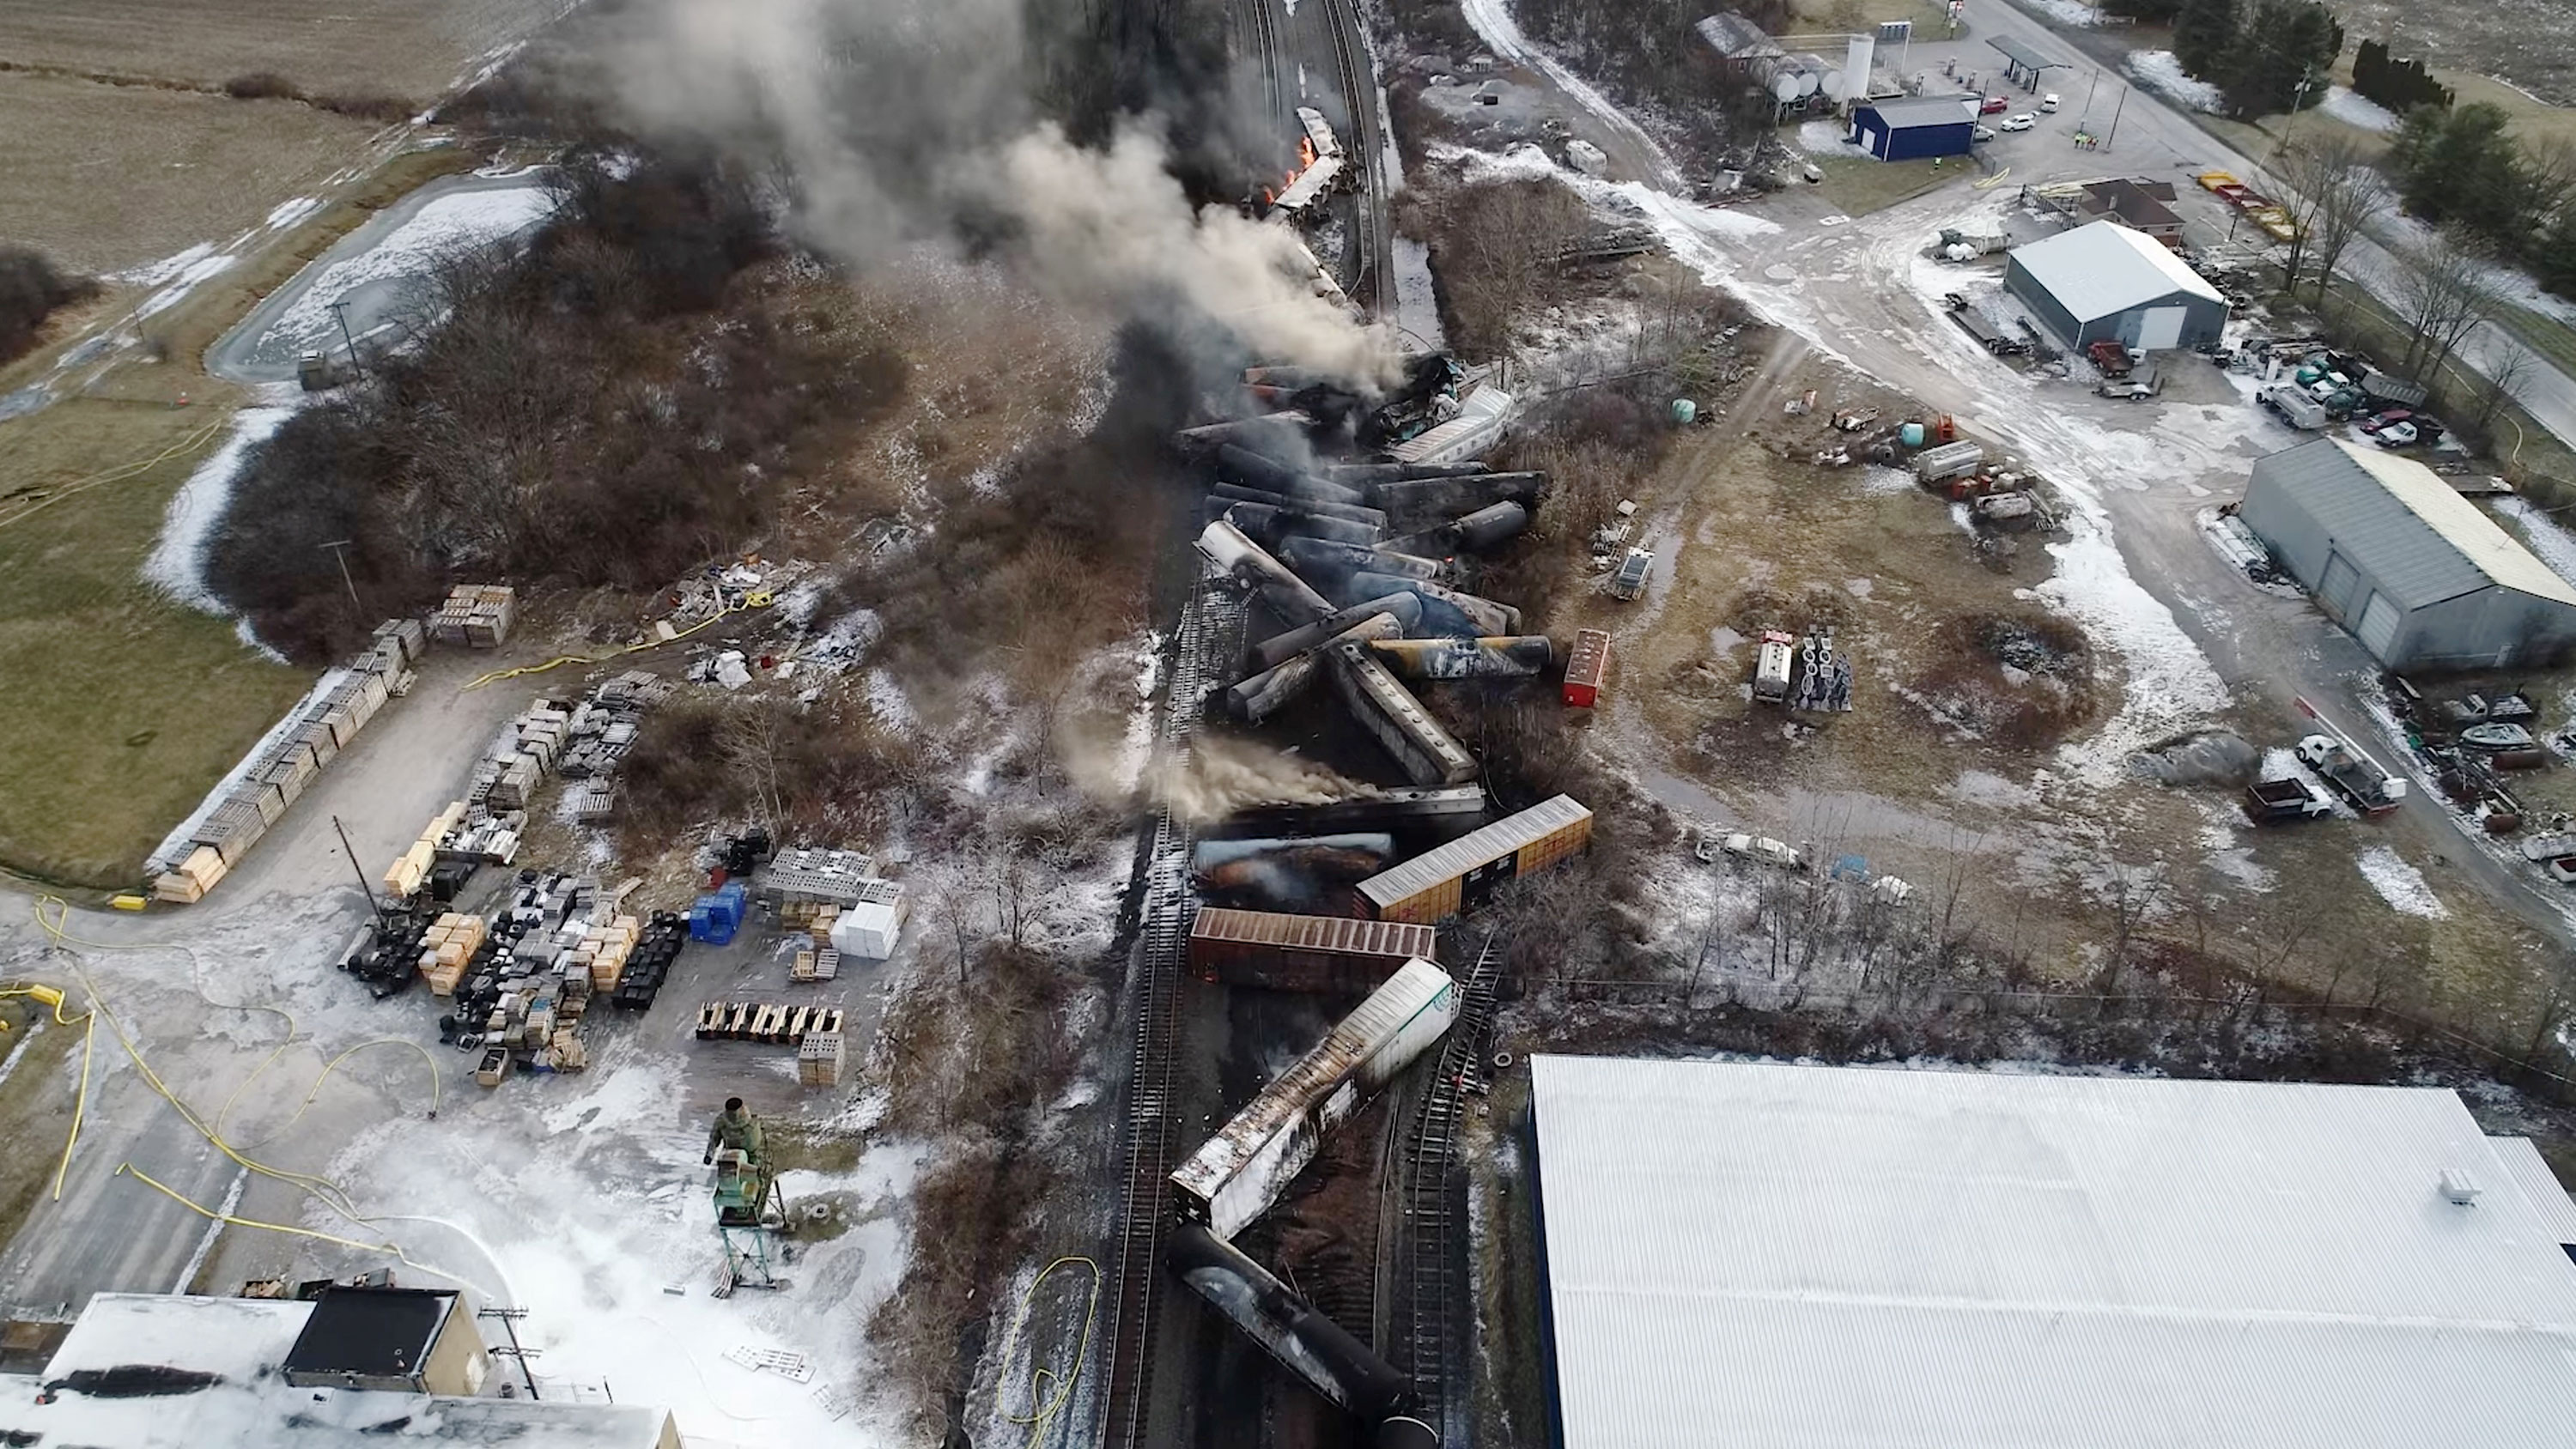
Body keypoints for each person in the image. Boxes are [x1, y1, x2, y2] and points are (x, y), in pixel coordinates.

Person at [704, 1097, 765, 1165]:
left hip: (740, 1156)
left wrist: (709, 1155)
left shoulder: (721, 1121)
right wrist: (709, 1155)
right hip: (736, 1156)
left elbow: (714, 1139)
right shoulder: (754, 1121)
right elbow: (714, 1139)